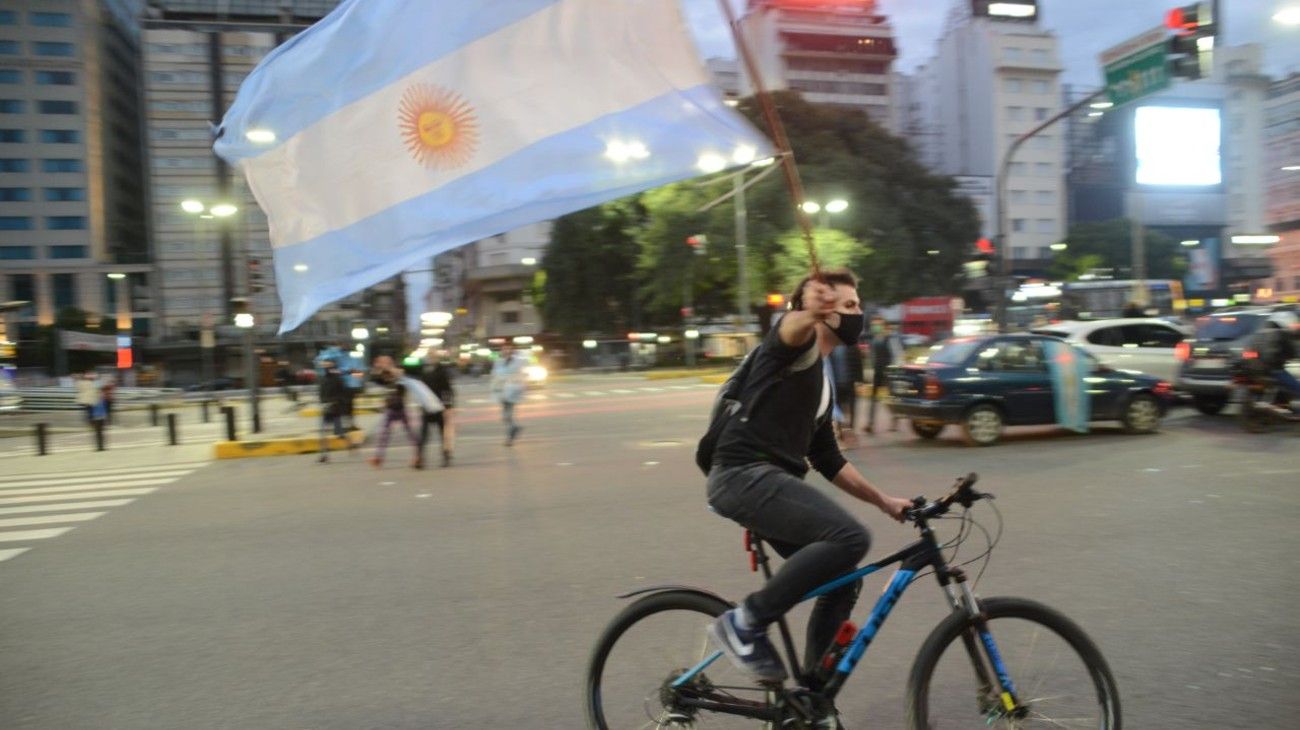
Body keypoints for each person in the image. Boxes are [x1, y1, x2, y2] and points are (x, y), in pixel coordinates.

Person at [706, 268, 912, 684]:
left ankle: (813, 697)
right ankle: (744, 622)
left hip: (767, 487)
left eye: (858, 305)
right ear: (821, 310)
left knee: (842, 582)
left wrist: (885, 501)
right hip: (742, 475)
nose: (859, 313)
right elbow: (788, 327)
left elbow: (828, 459)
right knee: (851, 538)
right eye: (849, 306)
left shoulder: (822, 381)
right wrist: (808, 312)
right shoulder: (791, 347)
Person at [368, 358, 420, 469]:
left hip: (400, 408)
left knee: (410, 434)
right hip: (390, 409)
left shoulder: (399, 372)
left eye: (386, 363)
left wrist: (388, 368)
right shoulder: (385, 375)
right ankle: (378, 458)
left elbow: (399, 375)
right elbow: (374, 378)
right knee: (383, 435)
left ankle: (418, 456)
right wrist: (378, 369)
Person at [417, 354, 457, 468]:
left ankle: (446, 456)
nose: (431, 359)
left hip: (439, 407)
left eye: (433, 357)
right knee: (423, 435)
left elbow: (448, 389)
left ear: (437, 359)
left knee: (443, 434)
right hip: (427, 408)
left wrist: (449, 406)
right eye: (430, 356)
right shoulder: (423, 372)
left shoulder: (442, 372)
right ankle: (420, 459)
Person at [865, 317, 903, 434]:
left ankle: (895, 420)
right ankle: (870, 423)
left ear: (884, 326)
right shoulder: (874, 339)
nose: (875, 327)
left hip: (888, 372)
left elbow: (897, 355)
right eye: (874, 325)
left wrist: (894, 371)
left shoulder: (890, 338)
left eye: (878, 325)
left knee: (891, 398)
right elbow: (872, 356)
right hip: (878, 371)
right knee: (873, 398)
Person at [491, 343, 527, 446]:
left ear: (512, 351)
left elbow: (520, 376)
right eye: (504, 349)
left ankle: (510, 436)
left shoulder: (517, 362)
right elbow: (495, 375)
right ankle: (514, 429)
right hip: (502, 391)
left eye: (508, 349)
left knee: (507, 414)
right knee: (505, 416)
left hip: (512, 391)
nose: (506, 351)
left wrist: (519, 387)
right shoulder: (498, 362)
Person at [317, 359, 347, 463]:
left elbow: (343, 394)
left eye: (328, 366)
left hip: (335, 409)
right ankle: (324, 455)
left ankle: (351, 444)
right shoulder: (322, 379)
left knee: (339, 433)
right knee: (323, 433)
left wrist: (337, 403)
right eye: (325, 366)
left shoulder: (338, 379)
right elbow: (321, 393)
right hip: (326, 409)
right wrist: (322, 403)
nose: (326, 368)